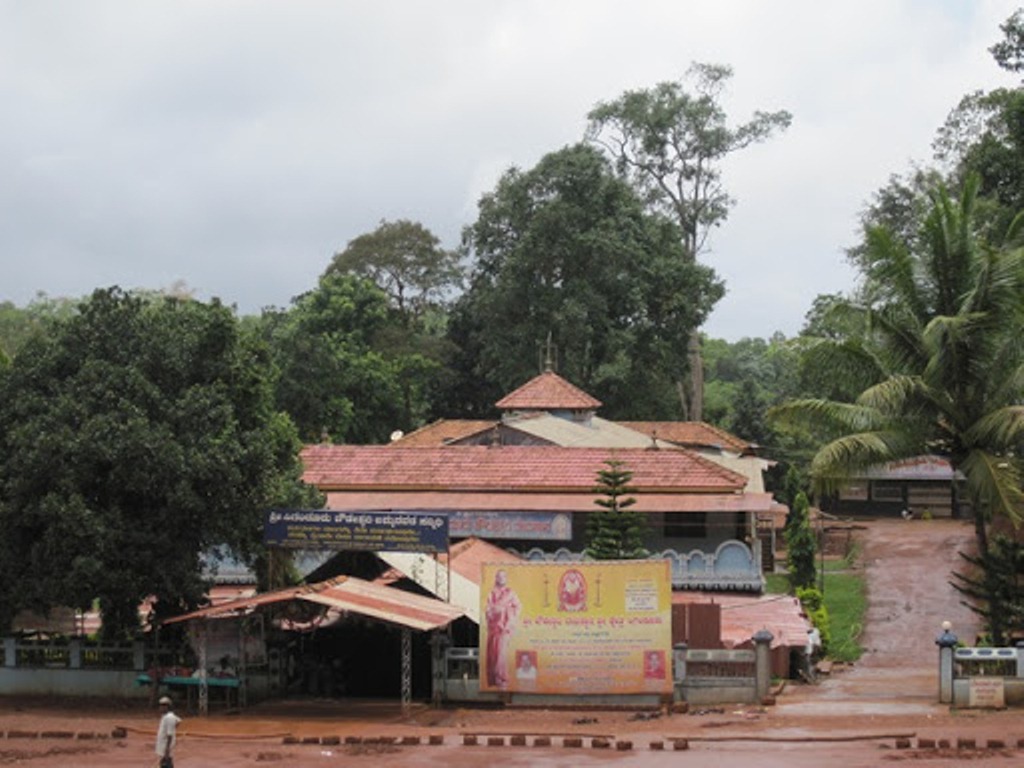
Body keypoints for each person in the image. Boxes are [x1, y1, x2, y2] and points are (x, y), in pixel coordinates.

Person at [484, 569, 521, 688]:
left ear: (506, 578)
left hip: (504, 628)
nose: (501, 579)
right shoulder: (492, 593)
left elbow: (518, 608)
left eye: (503, 576)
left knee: (501, 654)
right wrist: (493, 613)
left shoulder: (511, 593)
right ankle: (494, 679)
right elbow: (488, 610)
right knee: (493, 654)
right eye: (498, 577)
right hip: (494, 628)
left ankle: (502, 679)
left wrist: (506, 614)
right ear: (496, 578)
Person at [156, 695, 181, 768]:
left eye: (163, 706)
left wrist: (167, 750)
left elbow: (169, 735)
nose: (160, 708)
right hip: (163, 748)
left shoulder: (169, 717)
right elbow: (178, 721)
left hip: (165, 749)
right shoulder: (166, 716)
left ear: (167, 707)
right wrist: (173, 727)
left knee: (166, 765)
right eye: (160, 705)